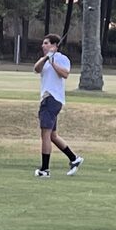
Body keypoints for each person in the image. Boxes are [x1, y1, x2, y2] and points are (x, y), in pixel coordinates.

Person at [32, 33, 83, 178]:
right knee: (53, 135)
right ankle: (74, 159)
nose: (43, 45)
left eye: (46, 43)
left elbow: (65, 74)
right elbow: (36, 69)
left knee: (45, 135)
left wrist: (53, 61)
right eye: (43, 43)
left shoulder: (62, 59)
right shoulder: (44, 60)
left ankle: (45, 169)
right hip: (46, 99)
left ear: (54, 45)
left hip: (52, 100)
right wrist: (46, 58)